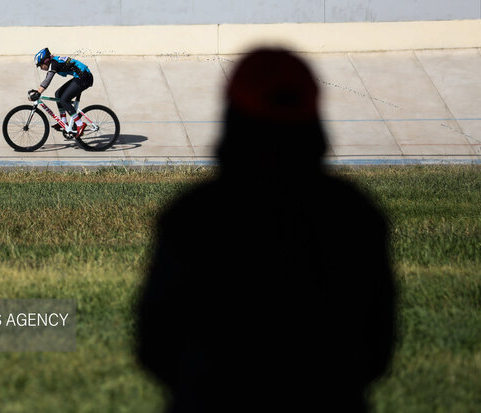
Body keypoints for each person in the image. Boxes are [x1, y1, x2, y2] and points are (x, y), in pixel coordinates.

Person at [136, 48, 396, 413]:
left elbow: (155, 345)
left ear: (232, 112)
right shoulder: (354, 213)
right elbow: (378, 346)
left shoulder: (195, 214)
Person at [28, 47, 94, 137]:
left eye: (40, 65)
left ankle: (80, 124)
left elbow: (48, 80)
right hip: (80, 77)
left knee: (64, 100)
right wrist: (38, 91)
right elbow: (47, 79)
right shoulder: (54, 62)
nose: (41, 68)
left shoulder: (54, 63)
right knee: (58, 94)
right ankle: (63, 122)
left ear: (46, 61)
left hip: (85, 78)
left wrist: (38, 93)